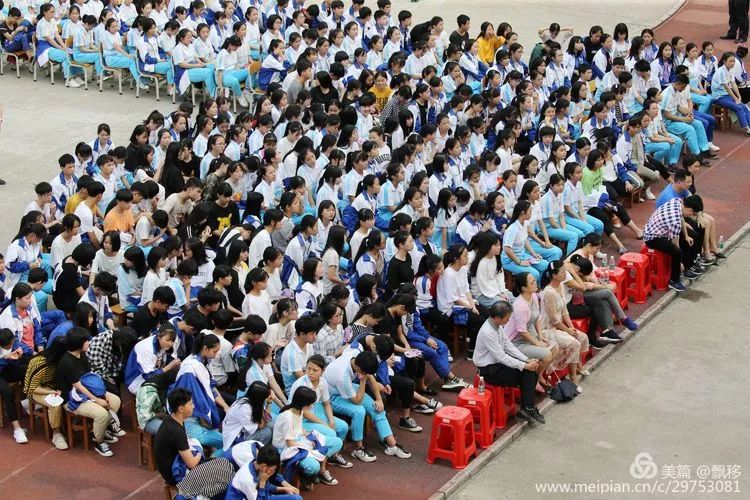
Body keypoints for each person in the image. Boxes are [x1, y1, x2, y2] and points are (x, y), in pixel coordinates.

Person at [323, 349, 412, 462]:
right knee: (359, 411)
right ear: (359, 370)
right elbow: (357, 401)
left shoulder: (357, 354)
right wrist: (362, 381)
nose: (366, 375)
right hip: (331, 397)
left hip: (346, 389)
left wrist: (379, 399)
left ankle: (392, 445)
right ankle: (358, 449)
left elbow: (370, 377)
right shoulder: (343, 376)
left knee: (376, 407)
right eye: (364, 373)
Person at [473, 301, 545, 424]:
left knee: (532, 369)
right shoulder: (487, 332)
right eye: (507, 318)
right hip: (488, 370)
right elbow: (502, 356)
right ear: (497, 318)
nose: (509, 320)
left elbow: (508, 346)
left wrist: (526, 359)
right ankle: (527, 408)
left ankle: (527, 407)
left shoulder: (498, 326)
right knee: (527, 372)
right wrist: (524, 365)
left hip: (498, 365)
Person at [154, 387, 235, 496]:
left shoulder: (171, 420)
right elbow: (192, 464)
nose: (193, 406)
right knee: (224, 477)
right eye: (190, 404)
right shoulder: (176, 431)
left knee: (223, 466)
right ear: (181, 409)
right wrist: (199, 450)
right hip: (176, 474)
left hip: (172, 466)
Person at [56, 327, 124, 457]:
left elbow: (89, 377)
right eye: (86, 341)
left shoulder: (82, 355)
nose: (89, 343)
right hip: (72, 399)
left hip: (86, 391)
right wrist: (98, 399)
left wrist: (102, 394)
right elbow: (78, 386)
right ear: (78, 343)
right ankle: (98, 441)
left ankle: (100, 429)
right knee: (101, 414)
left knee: (115, 401)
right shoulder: (67, 362)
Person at [272, 386, 342, 486]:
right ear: (305, 405)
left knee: (337, 442)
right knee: (314, 466)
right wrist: (312, 449)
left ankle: (314, 466)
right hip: (287, 448)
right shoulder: (287, 417)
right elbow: (290, 444)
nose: (313, 405)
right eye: (312, 403)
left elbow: (301, 429)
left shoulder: (298, 410)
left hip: (299, 441)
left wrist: (312, 438)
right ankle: (307, 472)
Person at [643, 195, 704, 293]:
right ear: (689, 210)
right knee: (677, 252)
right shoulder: (675, 220)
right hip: (652, 238)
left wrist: (687, 235)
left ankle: (687, 266)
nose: (693, 216)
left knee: (689, 238)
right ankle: (674, 280)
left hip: (659, 229)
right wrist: (679, 263)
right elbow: (675, 243)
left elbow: (682, 219)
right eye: (694, 214)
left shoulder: (677, 201)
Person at [224, 444, 302, 500]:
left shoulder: (257, 465)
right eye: (273, 468)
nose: (273, 471)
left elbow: (267, 488)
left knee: (296, 498)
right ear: (264, 466)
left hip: (260, 496)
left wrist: (284, 489)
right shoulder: (247, 480)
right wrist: (262, 483)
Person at [125, 324, 181, 394]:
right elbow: (149, 377)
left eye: (173, 340)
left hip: (158, 372)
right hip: (137, 381)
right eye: (168, 340)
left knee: (178, 376)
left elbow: (171, 357)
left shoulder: (164, 344)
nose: (170, 344)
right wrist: (169, 367)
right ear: (158, 337)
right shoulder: (146, 349)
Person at [222, 381, 274, 449]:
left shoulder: (251, 400)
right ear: (259, 398)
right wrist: (266, 403)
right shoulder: (245, 408)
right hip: (235, 439)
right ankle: (257, 453)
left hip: (242, 431)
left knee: (271, 425)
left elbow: (266, 418)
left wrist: (269, 402)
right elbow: (261, 425)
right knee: (267, 433)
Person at [0, 328, 29, 444]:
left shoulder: (13, 341)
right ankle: (17, 429)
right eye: (8, 345)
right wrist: (6, 359)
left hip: (7, 370)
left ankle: (29, 401)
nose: (11, 345)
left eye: (12, 343)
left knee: (28, 369)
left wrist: (21, 354)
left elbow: (27, 349)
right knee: (7, 392)